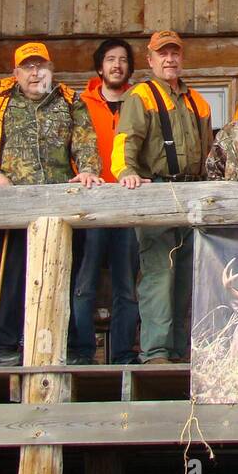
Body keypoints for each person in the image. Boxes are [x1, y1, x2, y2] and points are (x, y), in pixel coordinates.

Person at [0, 42, 102, 366]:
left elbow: (85, 141)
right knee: (8, 278)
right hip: (10, 206)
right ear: (16, 73)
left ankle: (54, 346)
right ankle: (3, 347)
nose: (35, 73)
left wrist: (89, 170)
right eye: (28, 67)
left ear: (52, 69)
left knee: (60, 276)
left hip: (58, 209)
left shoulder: (69, 99)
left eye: (41, 66)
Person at [111, 30, 213, 364]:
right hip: (156, 191)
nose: (169, 59)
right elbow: (126, 139)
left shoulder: (199, 102)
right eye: (162, 54)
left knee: (187, 275)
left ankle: (181, 349)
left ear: (181, 58)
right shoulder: (140, 96)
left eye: (174, 53)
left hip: (193, 194)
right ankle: (155, 352)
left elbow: (210, 153)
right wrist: (125, 172)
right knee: (158, 273)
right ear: (151, 59)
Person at [72, 38, 142, 365]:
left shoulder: (140, 102)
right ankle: (82, 352)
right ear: (100, 67)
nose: (117, 65)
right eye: (111, 60)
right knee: (84, 284)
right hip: (91, 204)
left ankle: (124, 355)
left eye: (123, 60)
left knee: (126, 287)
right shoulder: (79, 104)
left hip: (128, 203)